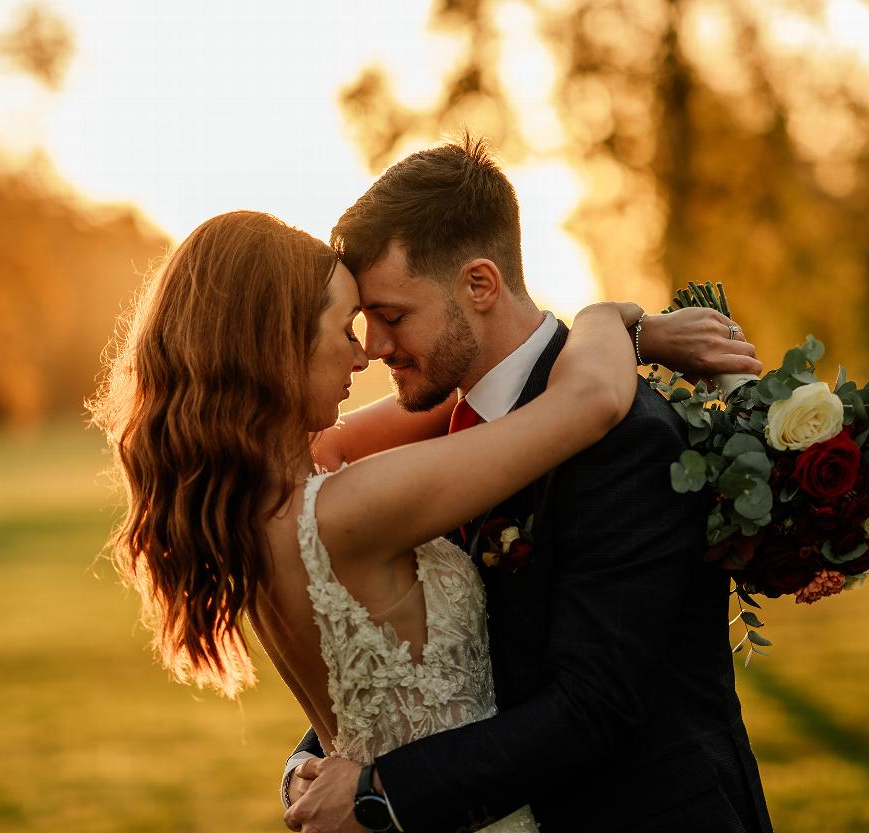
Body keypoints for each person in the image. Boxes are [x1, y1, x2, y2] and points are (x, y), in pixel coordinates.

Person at [90, 209, 653, 833]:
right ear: (278, 348)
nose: (364, 358)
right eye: (346, 330)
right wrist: (611, 319)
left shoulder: (252, 505)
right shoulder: (350, 509)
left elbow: (452, 396)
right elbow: (591, 400)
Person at [281, 138, 774, 833]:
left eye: (392, 315)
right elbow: (431, 655)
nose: (377, 348)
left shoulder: (626, 434)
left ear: (479, 285)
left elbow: (594, 705)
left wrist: (376, 792)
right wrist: (313, 764)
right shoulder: (461, 434)